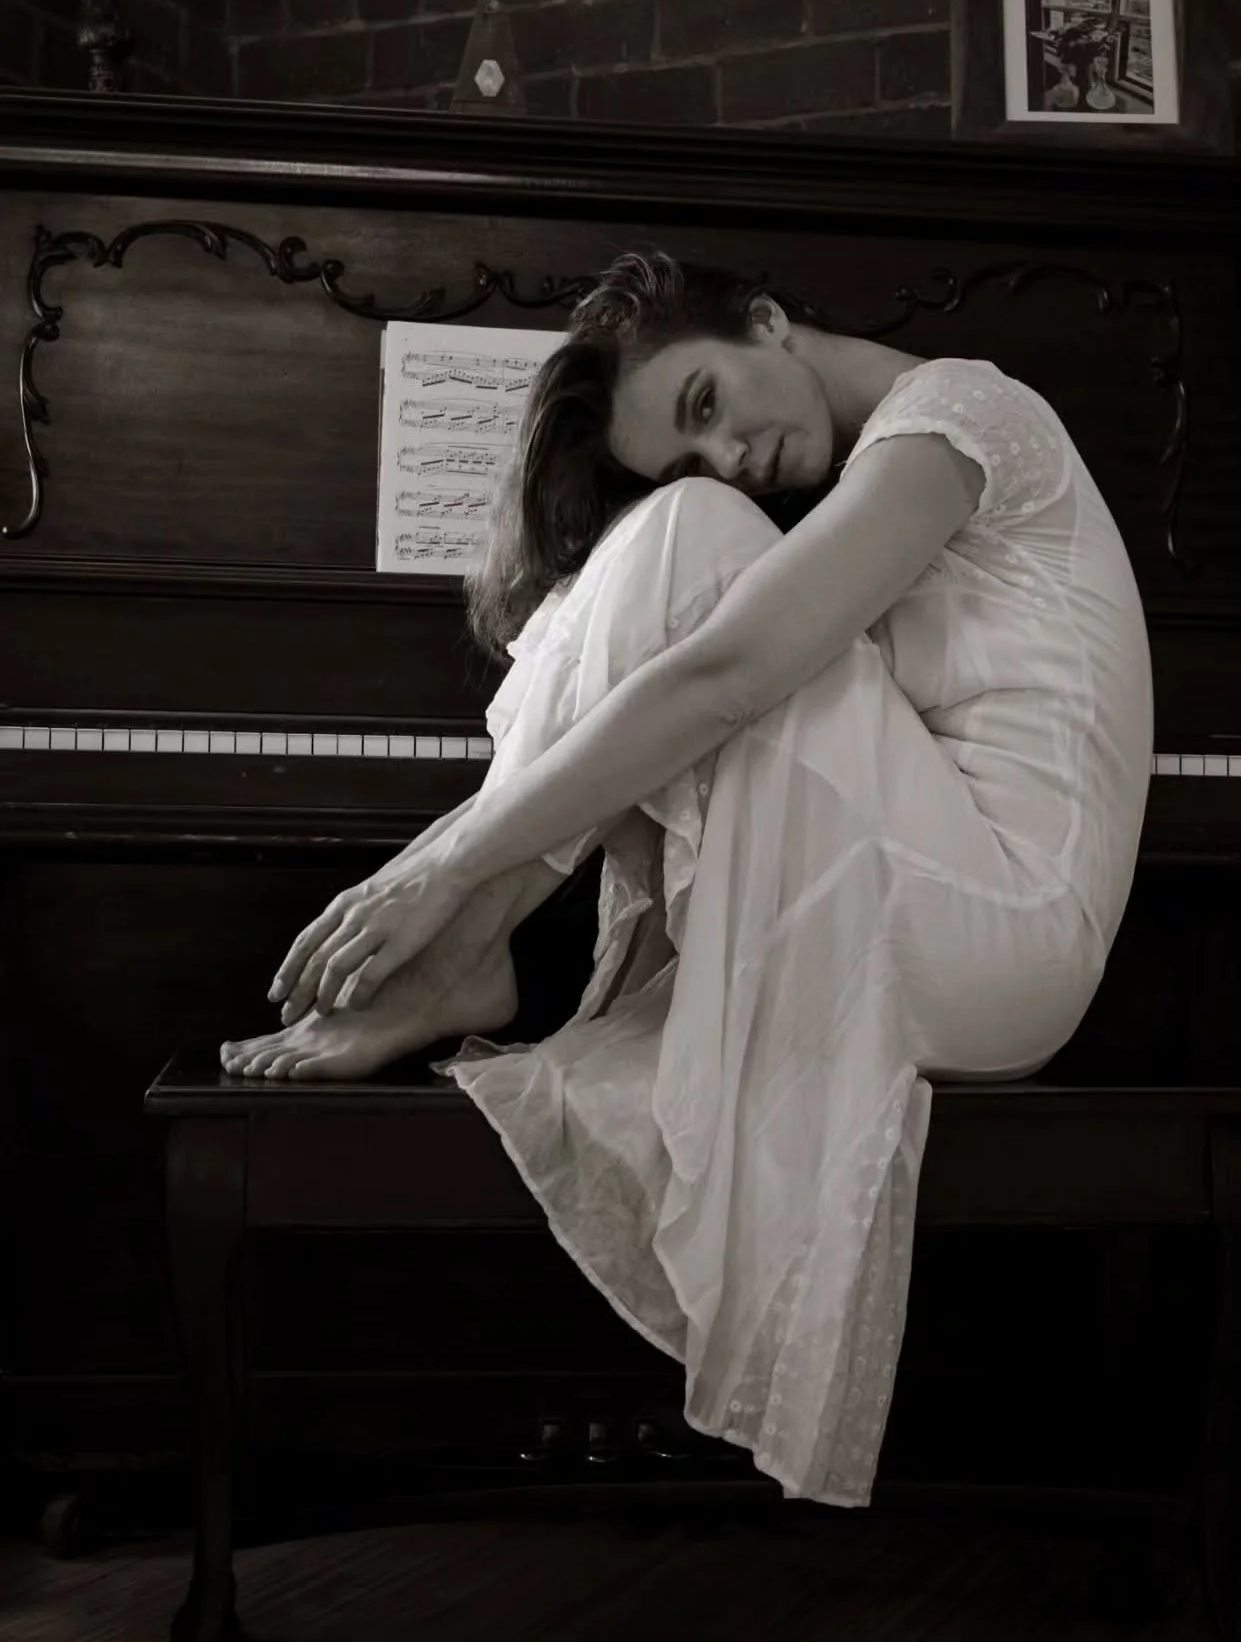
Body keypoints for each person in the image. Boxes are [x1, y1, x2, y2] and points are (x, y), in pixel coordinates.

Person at [220, 248, 1154, 1506]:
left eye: (709, 404)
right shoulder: (867, 478)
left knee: (692, 547)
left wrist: (444, 859)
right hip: (942, 914)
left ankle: (467, 942)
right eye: (690, 447)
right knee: (688, 539)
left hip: (1011, 939)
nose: (730, 458)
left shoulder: (963, 412)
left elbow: (725, 678)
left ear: (767, 319)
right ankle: (471, 946)